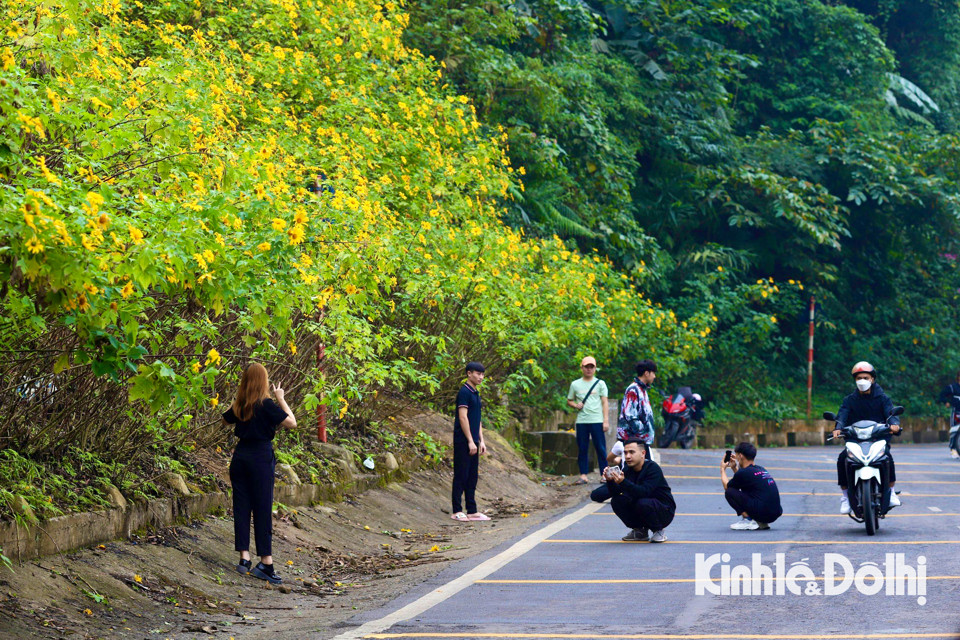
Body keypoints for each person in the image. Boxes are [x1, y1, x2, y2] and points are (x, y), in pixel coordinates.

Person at [222, 363, 297, 585]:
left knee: (242, 507)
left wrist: (239, 397)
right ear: (264, 382)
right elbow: (292, 423)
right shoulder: (266, 404)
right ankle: (266, 563)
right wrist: (281, 397)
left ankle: (244, 558)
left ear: (245, 381)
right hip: (260, 458)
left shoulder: (241, 404)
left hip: (240, 457)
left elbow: (225, 420)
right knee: (262, 509)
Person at [832, 361, 902, 515]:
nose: (862, 381)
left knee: (887, 457)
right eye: (858, 378)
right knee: (843, 458)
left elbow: (891, 413)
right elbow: (842, 415)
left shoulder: (882, 398)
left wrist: (894, 424)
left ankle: (890, 491)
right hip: (855, 440)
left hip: (878, 439)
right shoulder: (849, 400)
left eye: (865, 377)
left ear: (872, 379)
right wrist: (838, 428)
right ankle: (845, 497)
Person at [591, 438, 675, 542]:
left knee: (642, 502)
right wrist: (610, 481)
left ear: (643, 453)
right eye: (625, 453)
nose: (627, 456)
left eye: (632, 452)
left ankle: (658, 530)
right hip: (644, 505)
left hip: (664, 511)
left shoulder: (653, 469)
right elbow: (615, 493)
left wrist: (623, 482)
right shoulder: (627, 469)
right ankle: (640, 531)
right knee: (617, 501)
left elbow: (644, 492)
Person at [451, 362, 490, 522]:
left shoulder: (475, 393)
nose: (481, 377)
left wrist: (481, 440)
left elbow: (477, 419)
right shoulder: (464, 392)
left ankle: (472, 510)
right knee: (461, 474)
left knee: (472, 476)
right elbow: (463, 417)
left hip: (474, 441)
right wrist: (469, 441)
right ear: (469, 373)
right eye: (477, 374)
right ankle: (457, 510)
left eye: (482, 374)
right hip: (463, 441)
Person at [567, 356, 610, 485]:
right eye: (586, 366)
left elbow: (604, 402)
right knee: (582, 448)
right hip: (582, 421)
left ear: (595, 368)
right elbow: (569, 400)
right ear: (582, 368)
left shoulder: (600, 383)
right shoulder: (575, 384)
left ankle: (604, 474)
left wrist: (606, 420)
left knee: (601, 448)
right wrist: (575, 405)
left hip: (597, 420)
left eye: (591, 366)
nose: (589, 369)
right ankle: (583, 475)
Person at [721, 442, 782, 530]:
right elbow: (742, 479)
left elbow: (727, 487)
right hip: (774, 513)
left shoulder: (744, 473)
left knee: (729, 492)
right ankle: (760, 521)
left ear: (741, 456)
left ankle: (749, 520)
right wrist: (734, 468)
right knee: (747, 488)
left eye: (737, 455)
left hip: (763, 512)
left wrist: (722, 469)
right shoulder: (761, 469)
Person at [612, 360, 657, 463]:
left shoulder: (642, 390)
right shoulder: (633, 389)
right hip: (634, 440)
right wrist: (643, 430)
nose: (654, 376)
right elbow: (630, 416)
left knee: (646, 468)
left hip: (640, 440)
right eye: (653, 373)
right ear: (646, 373)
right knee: (638, 470)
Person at [937, 370, 960, 458]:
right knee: (955, 430)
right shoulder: (952, 387)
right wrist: (946, 402)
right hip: (956, 412)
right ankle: (953, 449)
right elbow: (942, 395)